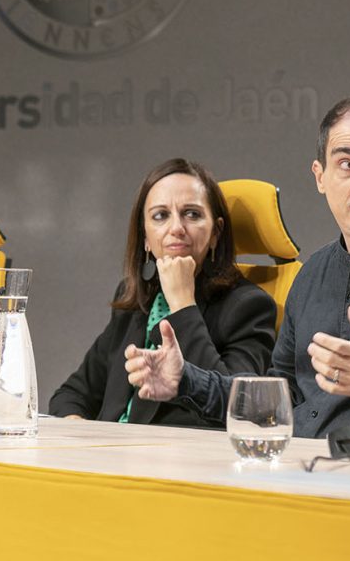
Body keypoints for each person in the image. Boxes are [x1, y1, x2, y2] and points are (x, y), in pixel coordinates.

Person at [126, 95, 350, 438]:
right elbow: (274, 402)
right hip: (303, 473)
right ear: (320, 177)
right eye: (347, 165)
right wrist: (186, 380)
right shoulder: (312, 274)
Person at [50, 158, 277, 426]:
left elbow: (239, 406)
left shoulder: (248, 305)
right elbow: (70, 395)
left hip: (178, 462)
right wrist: (81, 431)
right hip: (110, 456)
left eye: (192, 214)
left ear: (216, 232)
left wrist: (183, 304)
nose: (176, 229)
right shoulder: (136, 300)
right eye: (160, 216)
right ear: (145, 237)